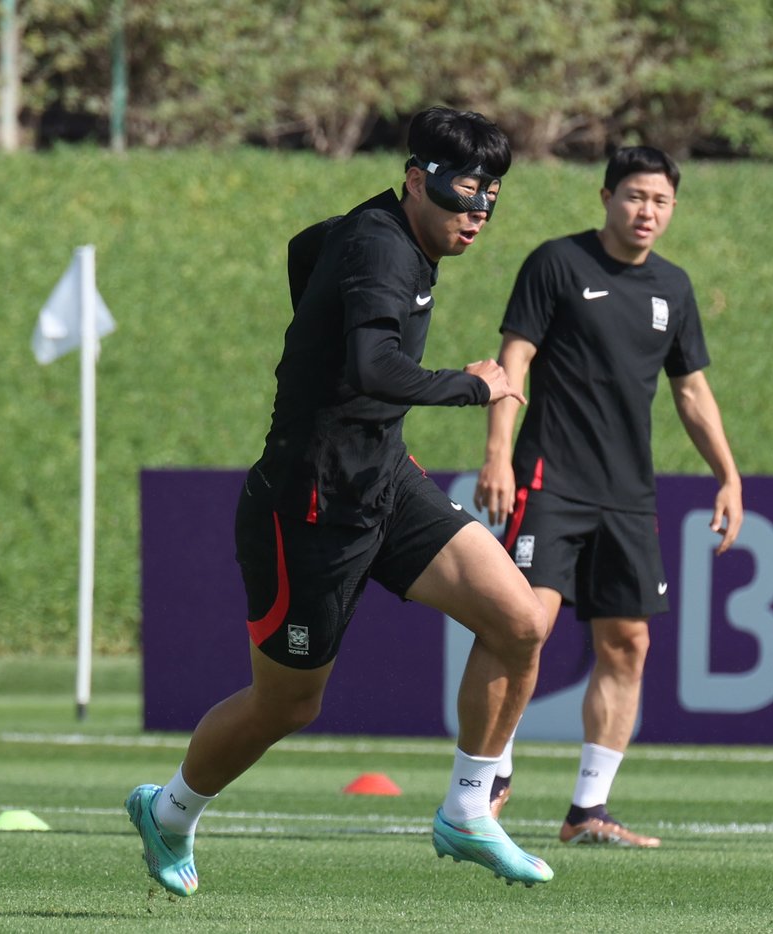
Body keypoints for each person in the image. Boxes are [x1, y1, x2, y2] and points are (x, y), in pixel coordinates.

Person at [125, 107, 556, 895]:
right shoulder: (381, 251)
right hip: (308, 508)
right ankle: (171, 811)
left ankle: (467, 811)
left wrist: (317, 337)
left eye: (491, 199)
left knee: (520, 620)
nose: (478, 216)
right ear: (416, 179)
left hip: (382, 479)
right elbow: (370, 366)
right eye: (464, 196)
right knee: (286, 704)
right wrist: (474, 385)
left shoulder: (383, 232)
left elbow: (305, 251)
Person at [473, 146, 743, 848]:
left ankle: (587, 809)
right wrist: (498, 454)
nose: (646, 210)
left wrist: (728, 474)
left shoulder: (674, 289)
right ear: (606, 196)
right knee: (523, 626)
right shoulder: (557, 264)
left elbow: (690, 390)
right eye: (634, 196)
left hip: (627, 495)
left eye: (660, 200)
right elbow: (515, 360)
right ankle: (490, 773)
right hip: (549, 480)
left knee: (628, 643)